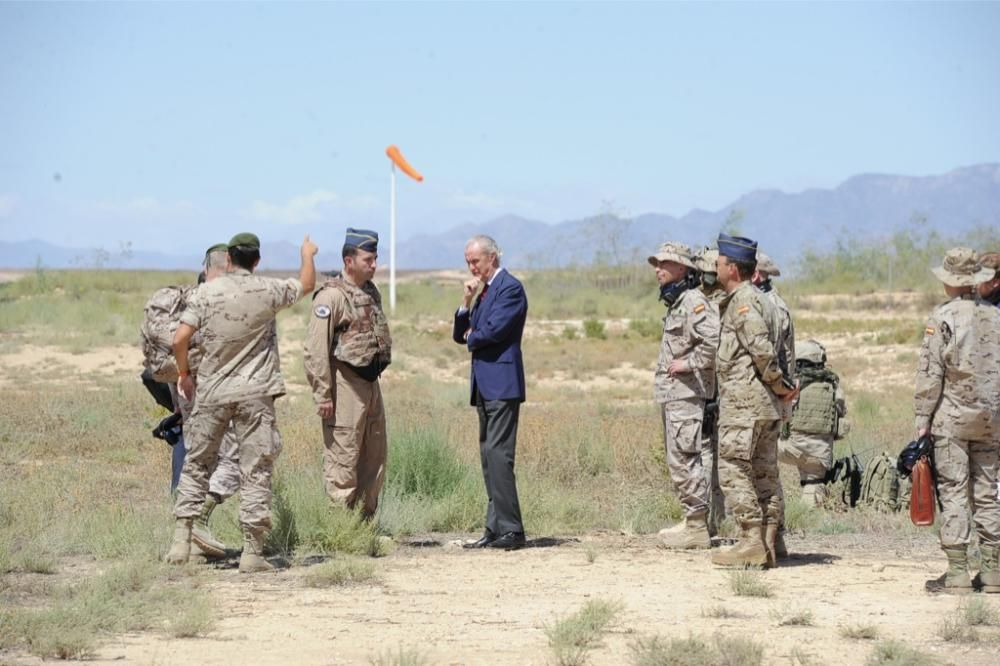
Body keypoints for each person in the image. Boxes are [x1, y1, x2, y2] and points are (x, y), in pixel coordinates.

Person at [167, 232, 317, 573]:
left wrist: (184, 373)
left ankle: (180, 542)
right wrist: (307, 254)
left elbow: (180, 338)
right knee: (256, 470)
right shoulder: (267, 289)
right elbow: (306, 284)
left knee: (197, 464)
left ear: (229, 260)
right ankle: (252, 552)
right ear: (257, 261)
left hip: (213, 392)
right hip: (255, 395)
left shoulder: (206, 292)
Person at [915, 247, 1000, 594]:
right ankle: (994, 573)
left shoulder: (943, 317)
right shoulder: (996, 317)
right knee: (988, 493)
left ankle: (957, 574)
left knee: (953, 492)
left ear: (951, 282)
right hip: (992, 420)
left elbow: (930, 375)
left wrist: (922, 420)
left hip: (952, 420)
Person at [711, 234, 797, 568]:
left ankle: (750, 541)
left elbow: (761, 350)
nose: (715, 267)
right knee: (765, 473)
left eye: (719, 263)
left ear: (732, 268)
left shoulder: (744, 303)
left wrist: (779, 384)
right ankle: (771, 542)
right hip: (765, 406)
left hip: (746, 405)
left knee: (734, 469)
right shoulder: (766, 300)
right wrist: (781, 389)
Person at [304, 228, 392, 519]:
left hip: (370, 384)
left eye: (376, 258)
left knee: (373, 457)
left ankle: (365, 525)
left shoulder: (370, 292)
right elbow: (316, 349)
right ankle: (340, 529)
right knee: (343, 459)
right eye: (368, 259)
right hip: (344, 387)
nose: (374, 265)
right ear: (349, 260)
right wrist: (323, 394)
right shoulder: (330, 297)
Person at [453, 235, 528, 551]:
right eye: (468, 262)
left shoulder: (510, 288)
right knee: (488, 457)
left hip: (502, 383)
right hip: (483, 385)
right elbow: (461, 335)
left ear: (492, 257)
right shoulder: (483, 294)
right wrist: (466, 303)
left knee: (499, 455)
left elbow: (495, 330)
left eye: (475, 261)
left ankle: (512, 529)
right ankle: (495, 527)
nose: (471, 268)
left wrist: (474, 335)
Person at [173, 244, 243, 560]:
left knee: (195, 462)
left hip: (190, 392)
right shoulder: (214, 302)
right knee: (236, 457)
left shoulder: (186, 300)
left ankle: (182, 543)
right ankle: (197, 521)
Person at [648, 243, 720, 549]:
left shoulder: (693, 302)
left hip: (688, 394)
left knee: (685, 458)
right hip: (676, 395)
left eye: (664, 263)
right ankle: (693, 521)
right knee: (679, 458)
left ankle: (696, 528)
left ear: (682, 268)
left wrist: (688, 364)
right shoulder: (679, 302)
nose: (657, 269)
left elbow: (714, 341)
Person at [753, 251, 795, 559]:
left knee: (763, 471)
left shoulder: (767, 307)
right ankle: (773, 540)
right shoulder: (776, 304)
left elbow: (775, 359)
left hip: (767, 397)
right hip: (778, 396)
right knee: (766, 470)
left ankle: (770, 539)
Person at [778, 339, 847, 506]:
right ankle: (814, 493)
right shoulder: (833, 385)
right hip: (820, 454)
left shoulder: (790, 383)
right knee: (813, 488)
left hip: (788, 449)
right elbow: (841, 413)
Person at [693, 246, 726, 537]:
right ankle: (715, 520)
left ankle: (706, 522)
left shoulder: (703, 302)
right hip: (717, 387)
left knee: (706, 455)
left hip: (711, 388)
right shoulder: (730, 297)